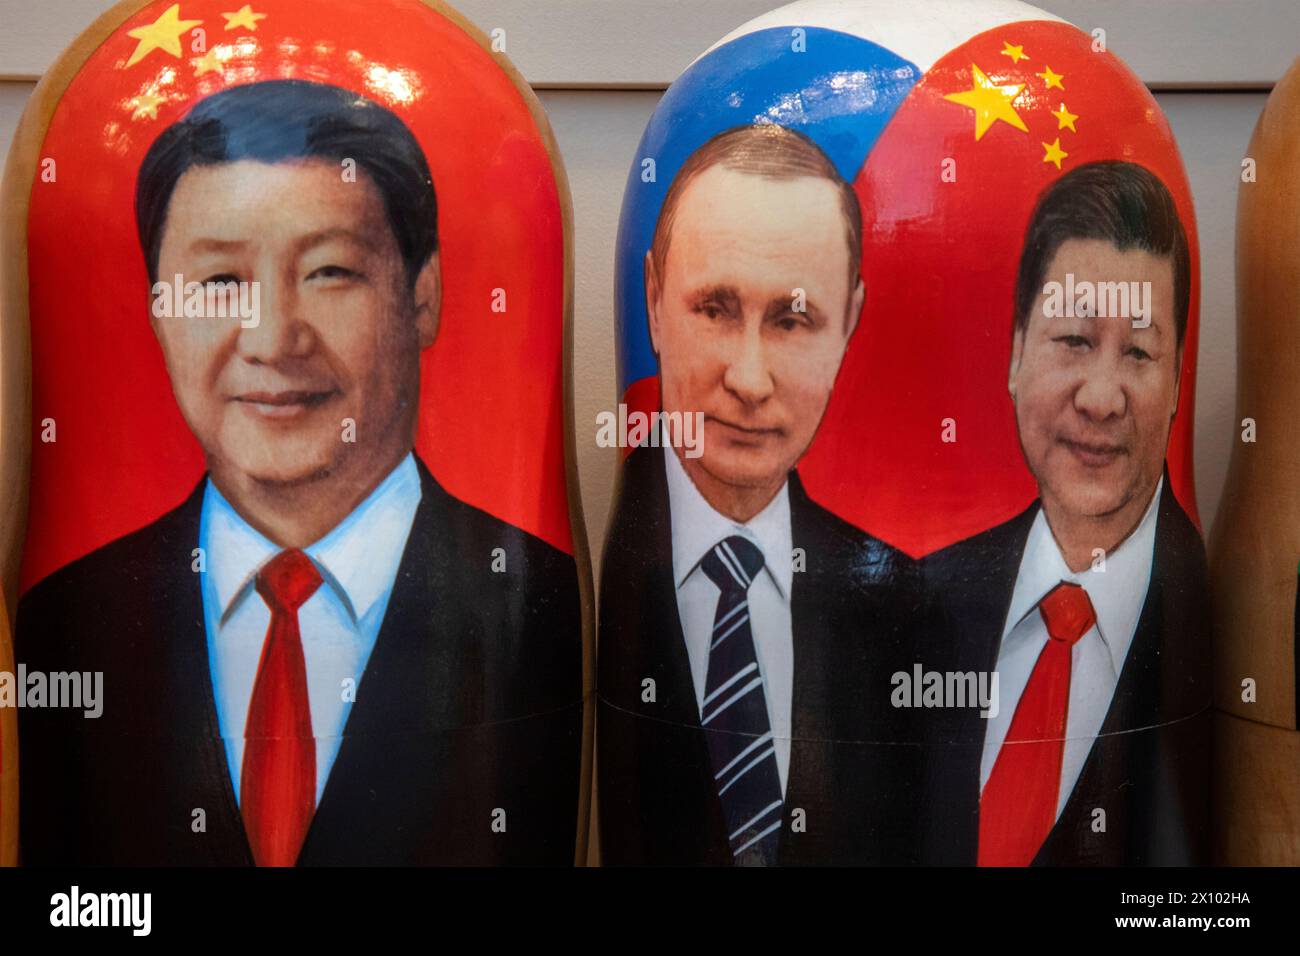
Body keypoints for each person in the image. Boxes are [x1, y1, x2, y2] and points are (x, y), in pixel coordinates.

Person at [16, 80, 582, 866]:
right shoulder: (67, 617)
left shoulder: (543, 605)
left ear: (424, 296)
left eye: (329, 273)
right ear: (157, 308)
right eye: (219, 283)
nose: (274, 339)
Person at [598, 124, 923, 865]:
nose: (748, 379)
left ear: (850, 326)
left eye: (793, 319)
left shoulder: (904, 606)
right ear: (653, 302)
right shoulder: (569, 579)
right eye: (713, 308)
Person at [920, 161, 1210, 866]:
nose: (1102, 398)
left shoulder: (1212, 617)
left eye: (1139, 351)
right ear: (1018, 354)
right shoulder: (924, 600)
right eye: (1075, 340)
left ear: (1177, 384)